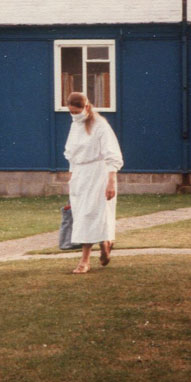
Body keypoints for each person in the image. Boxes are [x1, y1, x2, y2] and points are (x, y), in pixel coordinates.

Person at [63, 91, 123, 274]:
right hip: (80, 175)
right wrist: (71, 176)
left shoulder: (100, 125)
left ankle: (85, 260)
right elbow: (72, 154)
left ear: (86, 107)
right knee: (81, 216)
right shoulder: (75, 126)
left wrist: (111, 182)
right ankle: (105, 242)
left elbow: (112, 155)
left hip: (99, 174)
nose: (74, 115)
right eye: (71, 112)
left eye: (76, 111)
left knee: (94, 214)